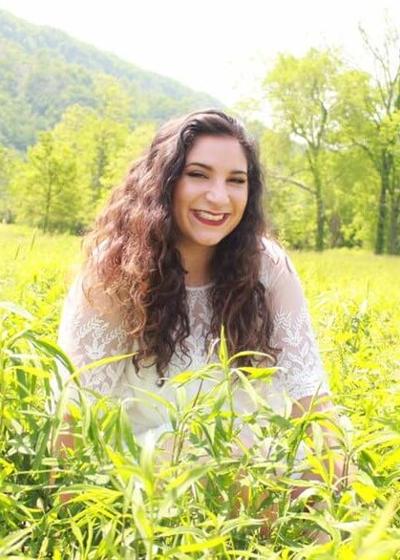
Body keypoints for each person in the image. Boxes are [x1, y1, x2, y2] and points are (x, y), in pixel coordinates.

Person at [51, 109, 345, 538]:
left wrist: (332, 476)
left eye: (236, 180)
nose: (219, 197)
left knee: (327, 464)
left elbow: (311, 397)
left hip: (255, 470)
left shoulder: (268, 267)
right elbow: (74, 419)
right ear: (164, 181)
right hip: (147, 480)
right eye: (198, 175)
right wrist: (67, 530)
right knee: (212, 458)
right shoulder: (115, 271)